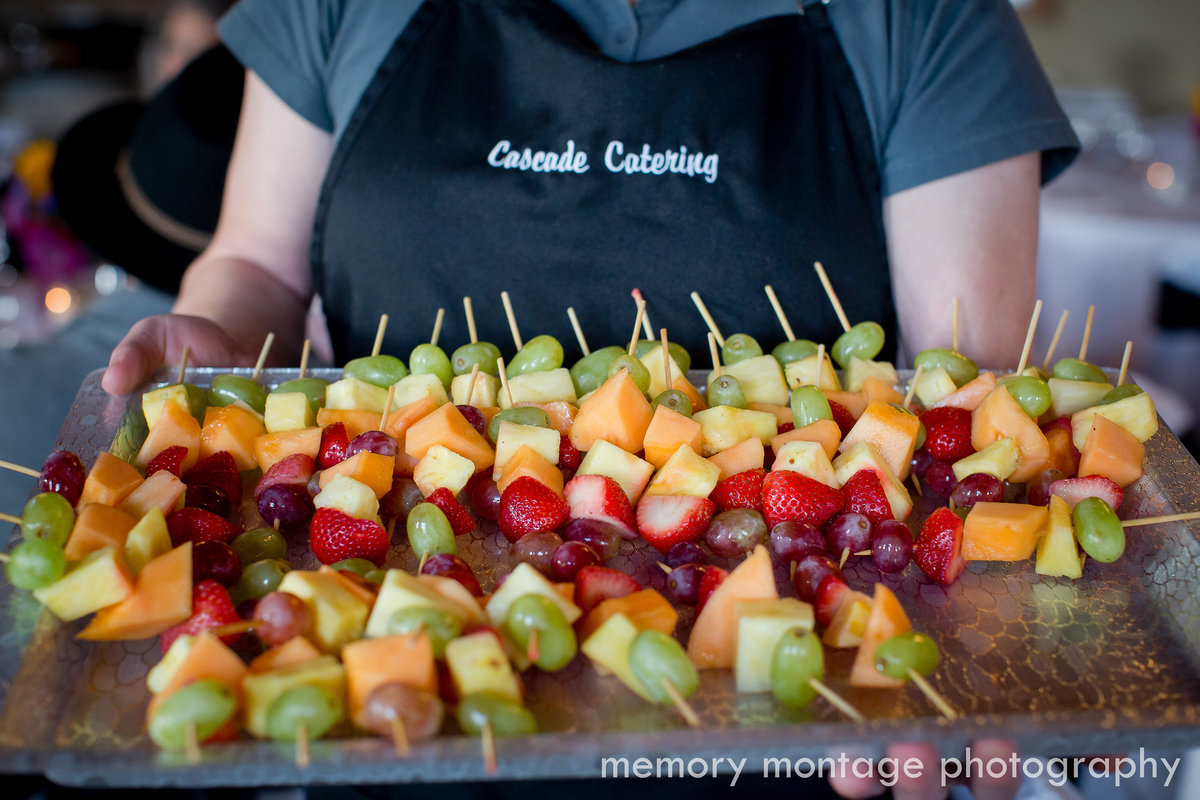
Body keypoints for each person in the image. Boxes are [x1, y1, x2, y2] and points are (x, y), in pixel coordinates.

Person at [99, 1, 1078, 797]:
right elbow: (255, 266)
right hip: (382, 683)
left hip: (777, 733)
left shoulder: (927, 17)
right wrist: (219, 338)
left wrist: (952, 661)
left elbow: (972, 403)